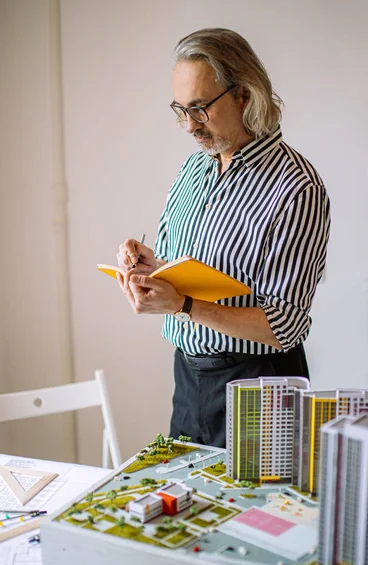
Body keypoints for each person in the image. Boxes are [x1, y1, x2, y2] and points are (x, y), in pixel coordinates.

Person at [116, 28, 330, 448]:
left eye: (200, 109)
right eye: (181, 109)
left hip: (260, 387)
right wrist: (150, 267)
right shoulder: (193, 171)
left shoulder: (296, 188)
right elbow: (194, 270)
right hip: (188, 378)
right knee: (187, 509)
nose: (189, 127)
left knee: (257, 513)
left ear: (244, 96)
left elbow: (284, 325)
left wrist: (182, 304)